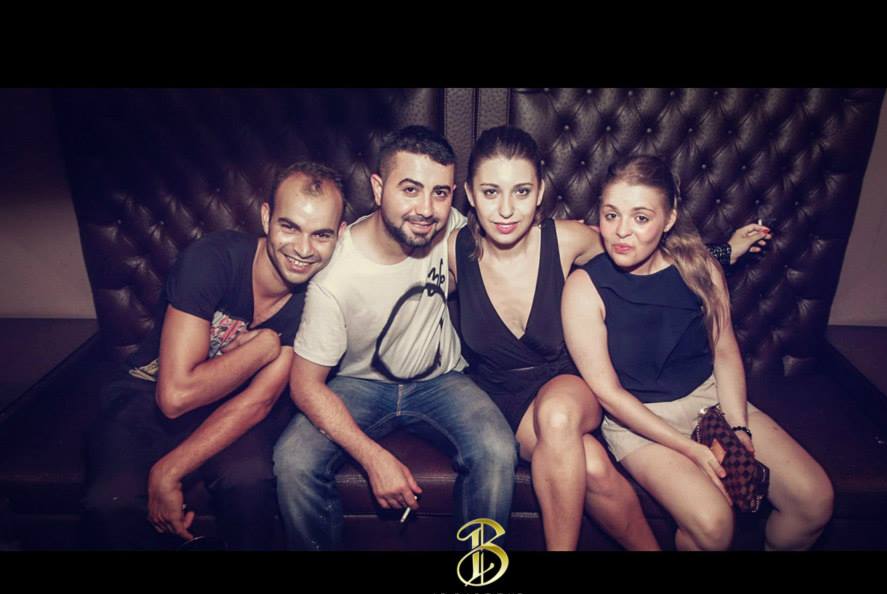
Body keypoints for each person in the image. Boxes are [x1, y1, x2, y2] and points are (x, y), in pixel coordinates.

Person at [562, 153, 834, 551]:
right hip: (637, 420)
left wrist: (738, 428)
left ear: (669, 218)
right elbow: (609, 394)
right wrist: (690, 449)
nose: (622, 231)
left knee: (814, 501)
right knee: (712, 525)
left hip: (710, 399)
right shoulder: (583, 288)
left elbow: (724, 351)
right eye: (611, 214)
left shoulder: (700, 267)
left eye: (641, 217)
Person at [273, 126, 518, 551]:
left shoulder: (453, 229)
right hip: (357, 384)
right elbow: (305, 385)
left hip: (441, 380)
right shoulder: (335, 275)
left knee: (497, 450)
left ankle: (478, 580)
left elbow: (520, 237)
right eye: (410, 189)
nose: (426, 209)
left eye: (440, 193)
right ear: (378, 187)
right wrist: (373, 458)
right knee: (293, 461)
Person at [81, 161, 346, 550]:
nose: (303, 250)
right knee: (109, 502)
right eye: (290, 227)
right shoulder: (214, 259)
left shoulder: (321, 296)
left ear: (339, 234)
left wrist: (169, 470)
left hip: (234, 405)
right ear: (266, 217)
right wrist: (263, 347)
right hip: (145, 391)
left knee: (249, 482)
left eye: (321, 235)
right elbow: (174, 398)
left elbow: (259, 401)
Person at [449, 126, 658, 551]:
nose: (506, 210)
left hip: (567, 383)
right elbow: (392, 263)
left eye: (521, 192)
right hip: (501, 401)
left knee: (559, 416)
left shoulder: (565, 239)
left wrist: (721, 253)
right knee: (592, 467)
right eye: (490, 192)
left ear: (540, 191)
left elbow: (643, 250)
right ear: (469, 193)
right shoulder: (453, 251)